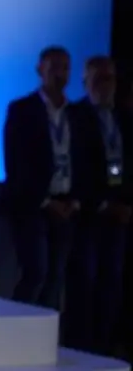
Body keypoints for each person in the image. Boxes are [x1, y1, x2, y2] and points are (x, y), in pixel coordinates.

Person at [0, 46, 101, 314]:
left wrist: (76, 200)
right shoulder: (22, 109)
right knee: (36, 272)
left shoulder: (78, 113)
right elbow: (16, 163)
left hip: (67, 204)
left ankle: (43, 342)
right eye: (54, 66)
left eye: (65, 67)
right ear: (40, 69)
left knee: (55, 280)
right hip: (32, 206)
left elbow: (86, 161)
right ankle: (13, 333)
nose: (60, 73)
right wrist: (44, 201)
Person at [66, 55, 130, 355]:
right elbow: (74, 166)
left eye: (110, 78)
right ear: (85, 82)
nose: (106, 84)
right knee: (85, 281)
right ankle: (80, 348)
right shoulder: (74, 115)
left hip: (119, 214)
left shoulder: (123, 117)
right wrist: (102, 203)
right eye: (99, 78)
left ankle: (104, 347)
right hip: (87, 213)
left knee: (112, 282)